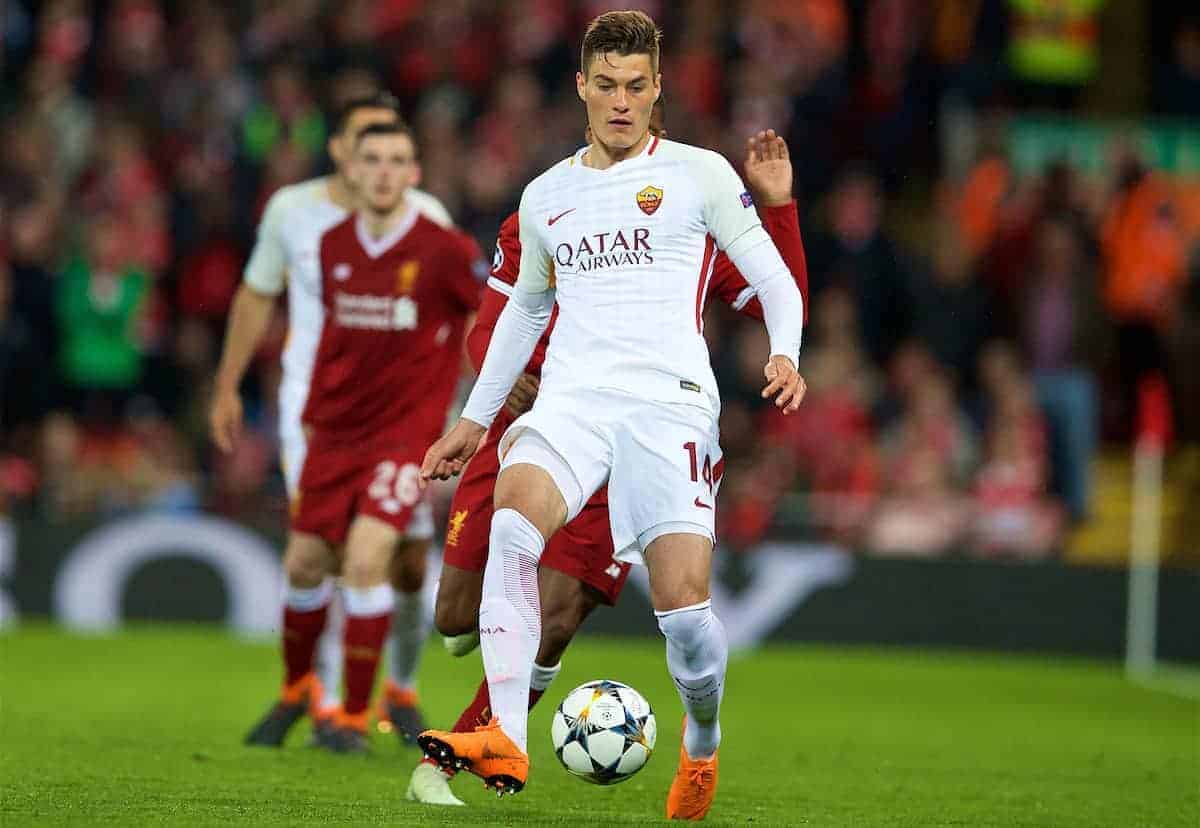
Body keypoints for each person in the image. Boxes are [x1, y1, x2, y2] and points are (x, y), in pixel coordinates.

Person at [417, 10, 806, 821]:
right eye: (606, 86)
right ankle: (506, 738)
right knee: (515, 527)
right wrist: (474, 419)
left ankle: (701, 742)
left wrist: (785, 353)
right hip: (573, 403)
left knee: (685, 613)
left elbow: (773, 282)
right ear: (582, 89)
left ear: (657, 88)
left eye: (636, 87)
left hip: (670, 409)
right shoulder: (547, 194)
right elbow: (524, 311)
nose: (621, 102)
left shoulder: (700, 175)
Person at [211, 94, 465, 751]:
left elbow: (470, 313)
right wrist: (228, 383)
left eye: (392, 153)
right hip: (317, 413)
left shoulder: (429, 225)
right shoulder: (296, 215)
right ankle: (321, 702)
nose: (374, 165)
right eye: (364, 148)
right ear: (342, 153)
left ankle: (398, 690)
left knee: (405, 567)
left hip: (402, 418)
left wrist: (477, 405)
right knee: (327, 557)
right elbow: (257, 293)